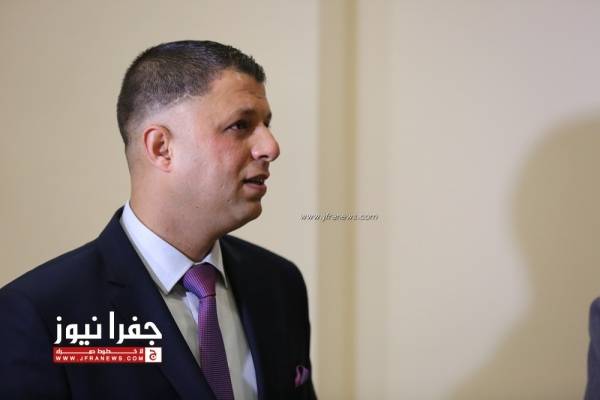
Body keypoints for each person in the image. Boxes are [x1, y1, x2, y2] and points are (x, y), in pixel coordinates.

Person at [0, 40, 317, 400]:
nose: (270, 147)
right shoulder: (40, 313)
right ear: (161, 147)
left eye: (266, 124)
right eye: (240, 125)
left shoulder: (278, 283)